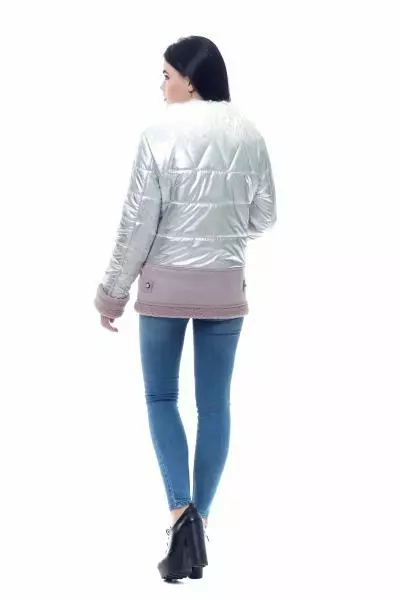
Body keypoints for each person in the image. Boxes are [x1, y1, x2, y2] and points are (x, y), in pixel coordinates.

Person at [94, 35, 277, 581]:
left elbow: (137, 225)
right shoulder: (250, 134)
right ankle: (201, 523)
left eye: (167, 75)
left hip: (164, 289)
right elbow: (265, 216)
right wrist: (222, 232)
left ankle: (181, 516)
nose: (161, 85)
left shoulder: (157, 135)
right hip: (224, 286)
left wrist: (111, 294)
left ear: (191, 80)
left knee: (161, 397)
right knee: (215, 407)